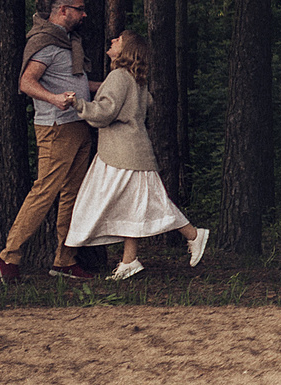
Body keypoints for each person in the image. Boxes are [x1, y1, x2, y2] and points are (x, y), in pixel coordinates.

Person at [64, 30, 207, 279]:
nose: (111, 41)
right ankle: (129, 261)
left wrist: (78, 104)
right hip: (130, 153)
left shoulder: (119, 76)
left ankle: (194, 234)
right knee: (132, 205)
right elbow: (144, 103)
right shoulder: (135, 78)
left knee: (104, 203)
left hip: (121, 155)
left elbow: (104, 113)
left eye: (117, 40)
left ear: (125, 50)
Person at [0, 0, 100, 283]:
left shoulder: (69, 42)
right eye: (79, 8)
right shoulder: (45, 42)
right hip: (55, 127)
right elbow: (26, 82)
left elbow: (75, 83)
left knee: (72, 195)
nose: (84, 14)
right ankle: (8, 255)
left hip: (78, 124)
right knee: (45, 191)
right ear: (63, 10)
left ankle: (64, 260)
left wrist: (111, 86)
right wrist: (53, 99)